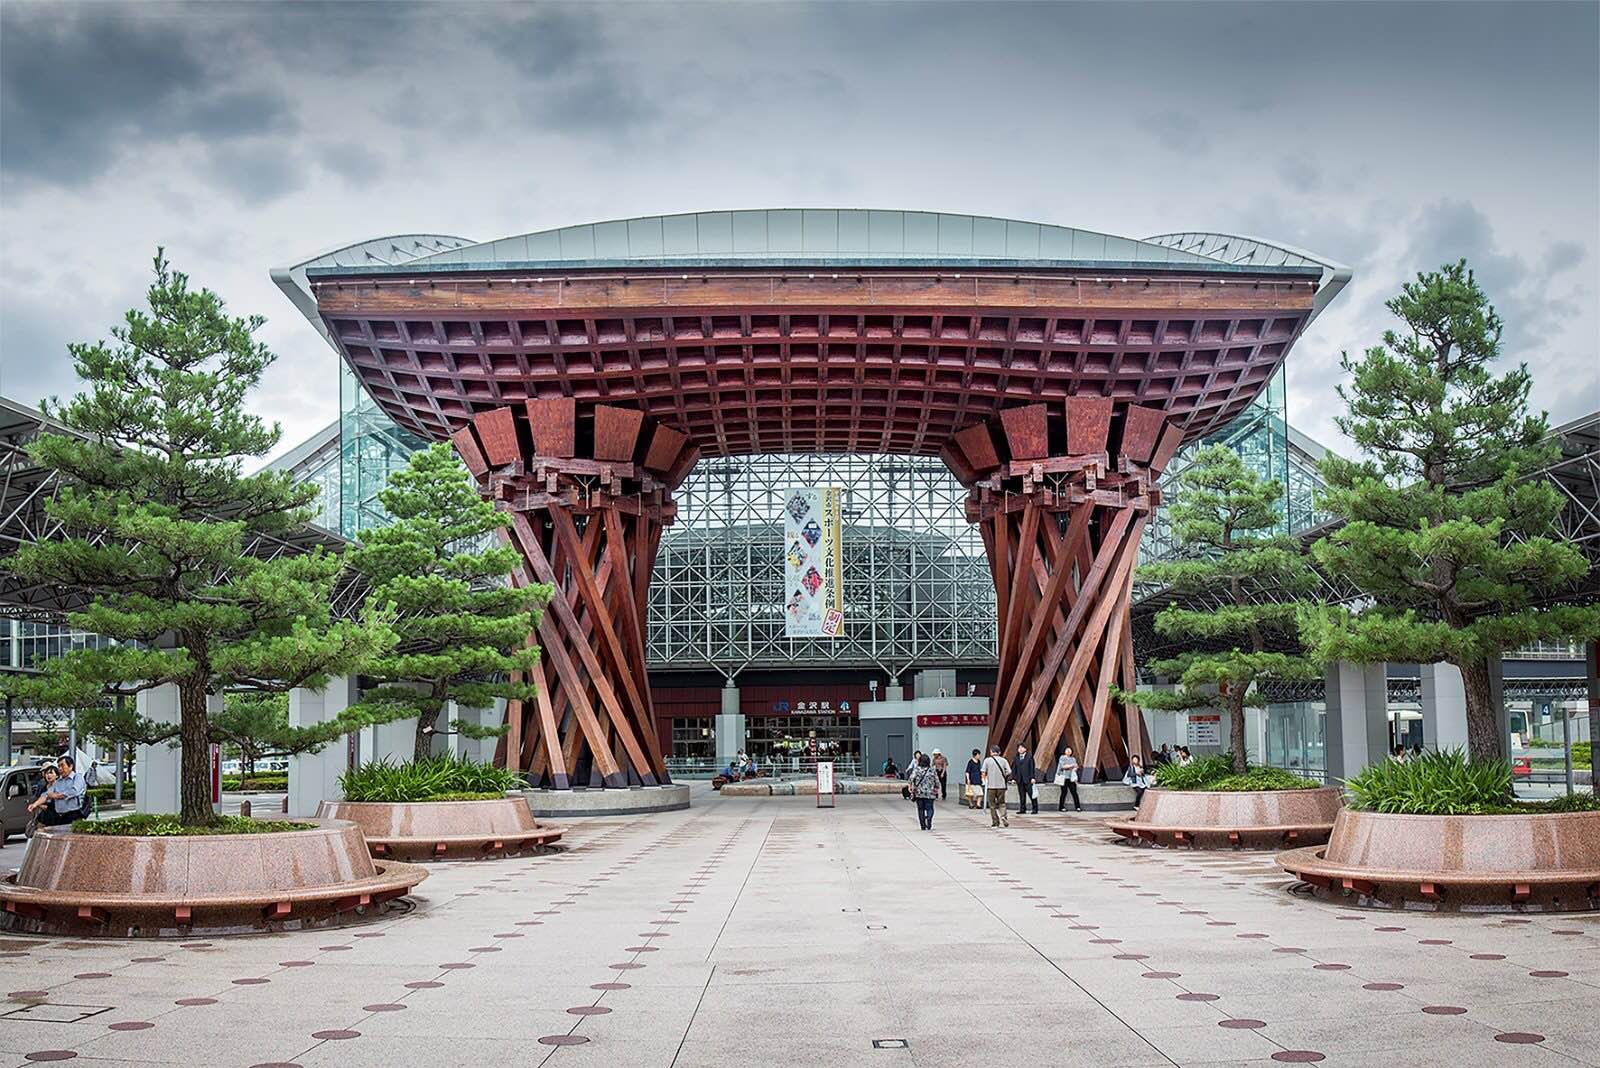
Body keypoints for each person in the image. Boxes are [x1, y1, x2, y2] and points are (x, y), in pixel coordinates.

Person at [40, 755, 87, 828]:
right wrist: (35, 804)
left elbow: (74, 791)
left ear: (70, 766)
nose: (60, 769)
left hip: (73, 814)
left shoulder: (77, 777)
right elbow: (47, 794)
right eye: (58, 766)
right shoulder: (58, 782)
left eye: (62, 766)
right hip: (59, 816)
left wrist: (57, 796)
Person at [981, 745, 1012, 828]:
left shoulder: (987, 760)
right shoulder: (1004, 760)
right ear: (999, 752)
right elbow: (1009, 771)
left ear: (991, 752)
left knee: (992, 805)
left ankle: (995, 822)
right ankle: (1003, 816)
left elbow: (983, 772)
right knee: (1002, 803)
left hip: (991, 786)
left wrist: (985, 781)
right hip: (1001, 786)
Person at [908, 753, 939, 831]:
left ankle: (923, 825)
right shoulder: (932, 770)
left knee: (920, 809)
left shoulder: (917, 769)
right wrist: (936, 788)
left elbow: (911, 778)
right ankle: (929, 818)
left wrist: (910, 787)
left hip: (919, 793)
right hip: (930, 793)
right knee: (930, 808)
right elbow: (937, 781)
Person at [25, 765, 58, 838]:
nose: (48, 775)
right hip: (43, 816)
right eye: (47, 773)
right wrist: (37, 805)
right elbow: (38, 798)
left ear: (57, 775)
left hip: (56, 817)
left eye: (51, 773)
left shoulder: (60, 787)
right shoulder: (43, 787)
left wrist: (42, 805)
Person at [1013, 743, 1037, 815]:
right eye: (1019, 748)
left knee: (1031, 794)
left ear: (1025, 749)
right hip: (1020, 780)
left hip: (1028, 779)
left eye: (1022, 747)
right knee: (1022, 795)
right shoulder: (1016, 758)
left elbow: (1032, 768)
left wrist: (1033, 777)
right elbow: (1014, 769)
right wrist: (1014, 778)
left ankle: (1035, 808)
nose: (1020, 749)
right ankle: (1022, 809)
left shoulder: (1029, 757)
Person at [1054, 747, 1082, 812]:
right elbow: (1063, 766)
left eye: (1070, 750)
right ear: (1065, 751)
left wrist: (1073, 767)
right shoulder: (1062, 757)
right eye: (1067, 750)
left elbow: (1076, 767)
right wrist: (1072, 765)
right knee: (1064, 792)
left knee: (1074, 792)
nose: (1069, 751)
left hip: (1071, 778)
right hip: (1064, 778)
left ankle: (1078, 807)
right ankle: (1061, 807)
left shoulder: (1073, 759)